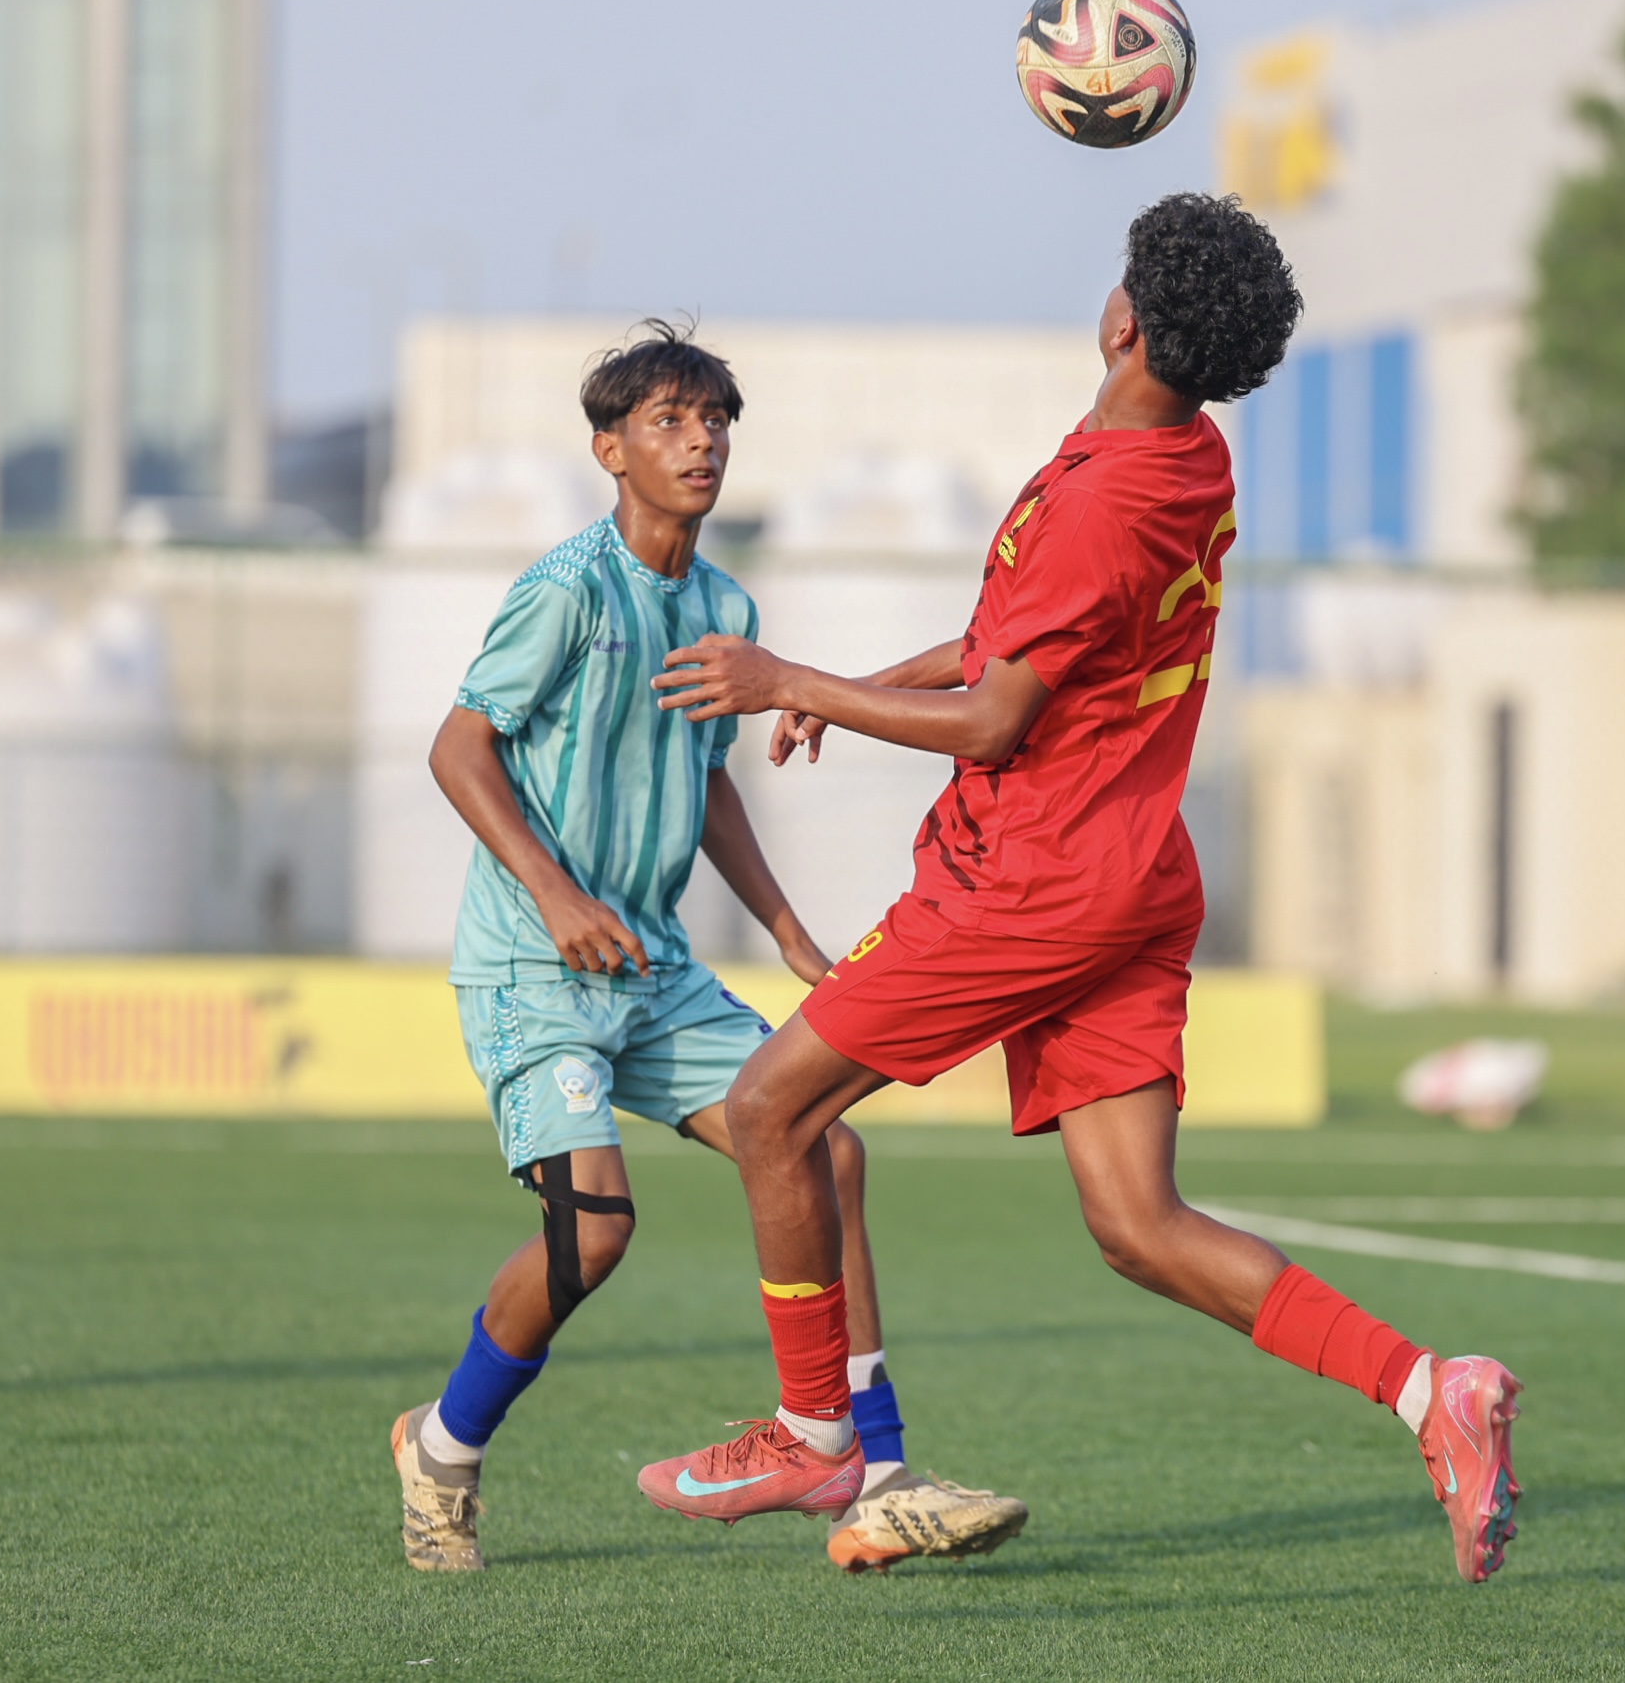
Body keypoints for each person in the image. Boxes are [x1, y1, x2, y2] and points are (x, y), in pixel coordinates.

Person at [637, 198, 1522, 1584]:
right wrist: (853, 686)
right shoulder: (1184, 450)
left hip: (1031, 880)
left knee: (770, 1110)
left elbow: (999, 717)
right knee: (1137, 1224)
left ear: (1125, 321)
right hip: (1133, 871)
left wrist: (789, 681)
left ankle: (816, 1438)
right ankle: (1430, 1389)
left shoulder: (1105, 494)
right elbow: (1025, 644)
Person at [390, 321, 1027, 1576]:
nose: (701, 442)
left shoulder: (727, 607)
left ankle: (880, 1478)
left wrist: (784, 926)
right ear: (609, 450)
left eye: (716, 421)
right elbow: (458, 749)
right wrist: (556, 898)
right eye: (670, 422)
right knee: (595, 1233)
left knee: (826, 1150)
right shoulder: (567, 591)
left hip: (658, 971)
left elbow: (710, 779)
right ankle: (442, 1448)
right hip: (535, 966)